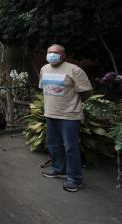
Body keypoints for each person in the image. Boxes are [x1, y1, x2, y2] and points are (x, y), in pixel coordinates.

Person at [40, 44, 93, 192]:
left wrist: (74, 104)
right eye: (49, 52)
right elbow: (44, 89)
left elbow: (87, 92)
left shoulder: (74, 70)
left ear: (63, 55)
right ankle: (59, 169)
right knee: (53, 145)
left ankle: (75, 179)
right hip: (50, 114)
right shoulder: (44, 69)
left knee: (71, 148)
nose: (51, 54)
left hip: (69, 115)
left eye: (55, 52)